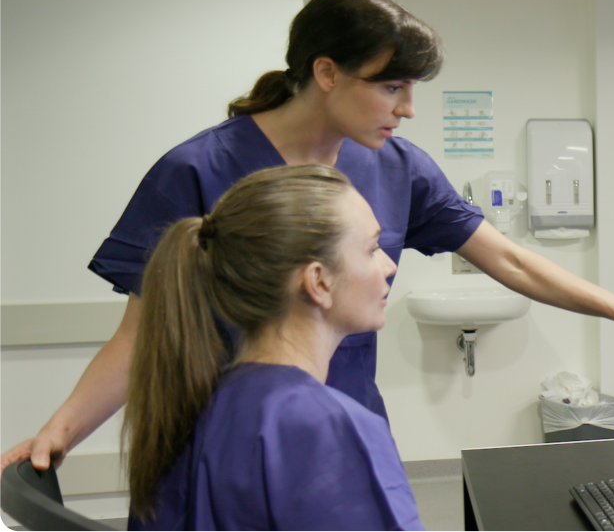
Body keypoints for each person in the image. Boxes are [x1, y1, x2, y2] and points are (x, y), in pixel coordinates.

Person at [1, 0, 614, 476]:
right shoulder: (199, 168)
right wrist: (58, 432)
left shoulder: (397, 166)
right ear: (325, 71)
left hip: (341, 433)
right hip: (216, 450)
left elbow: (505, 257)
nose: (407, 108)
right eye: (391, 85)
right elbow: (142, 334)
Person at [123, 164, 419, 530]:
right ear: (318, 282)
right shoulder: (327, 430)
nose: (388, 265)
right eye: (372, 248)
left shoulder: (192, 406)